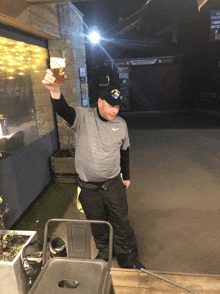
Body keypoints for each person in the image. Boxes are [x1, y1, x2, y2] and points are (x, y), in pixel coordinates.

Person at [42, 69, 144, 269]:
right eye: (110, 106)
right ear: (99, 101)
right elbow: (63, 110)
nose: (114, 111)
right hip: (89, 188)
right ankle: (106, 253)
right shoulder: (83, 117)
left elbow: (125, 152)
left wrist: (127, 176)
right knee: (98, 224)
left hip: (113, 184)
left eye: (117, 106)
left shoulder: (121, 125)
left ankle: (128, 259)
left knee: (121, 223)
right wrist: (55, 91)